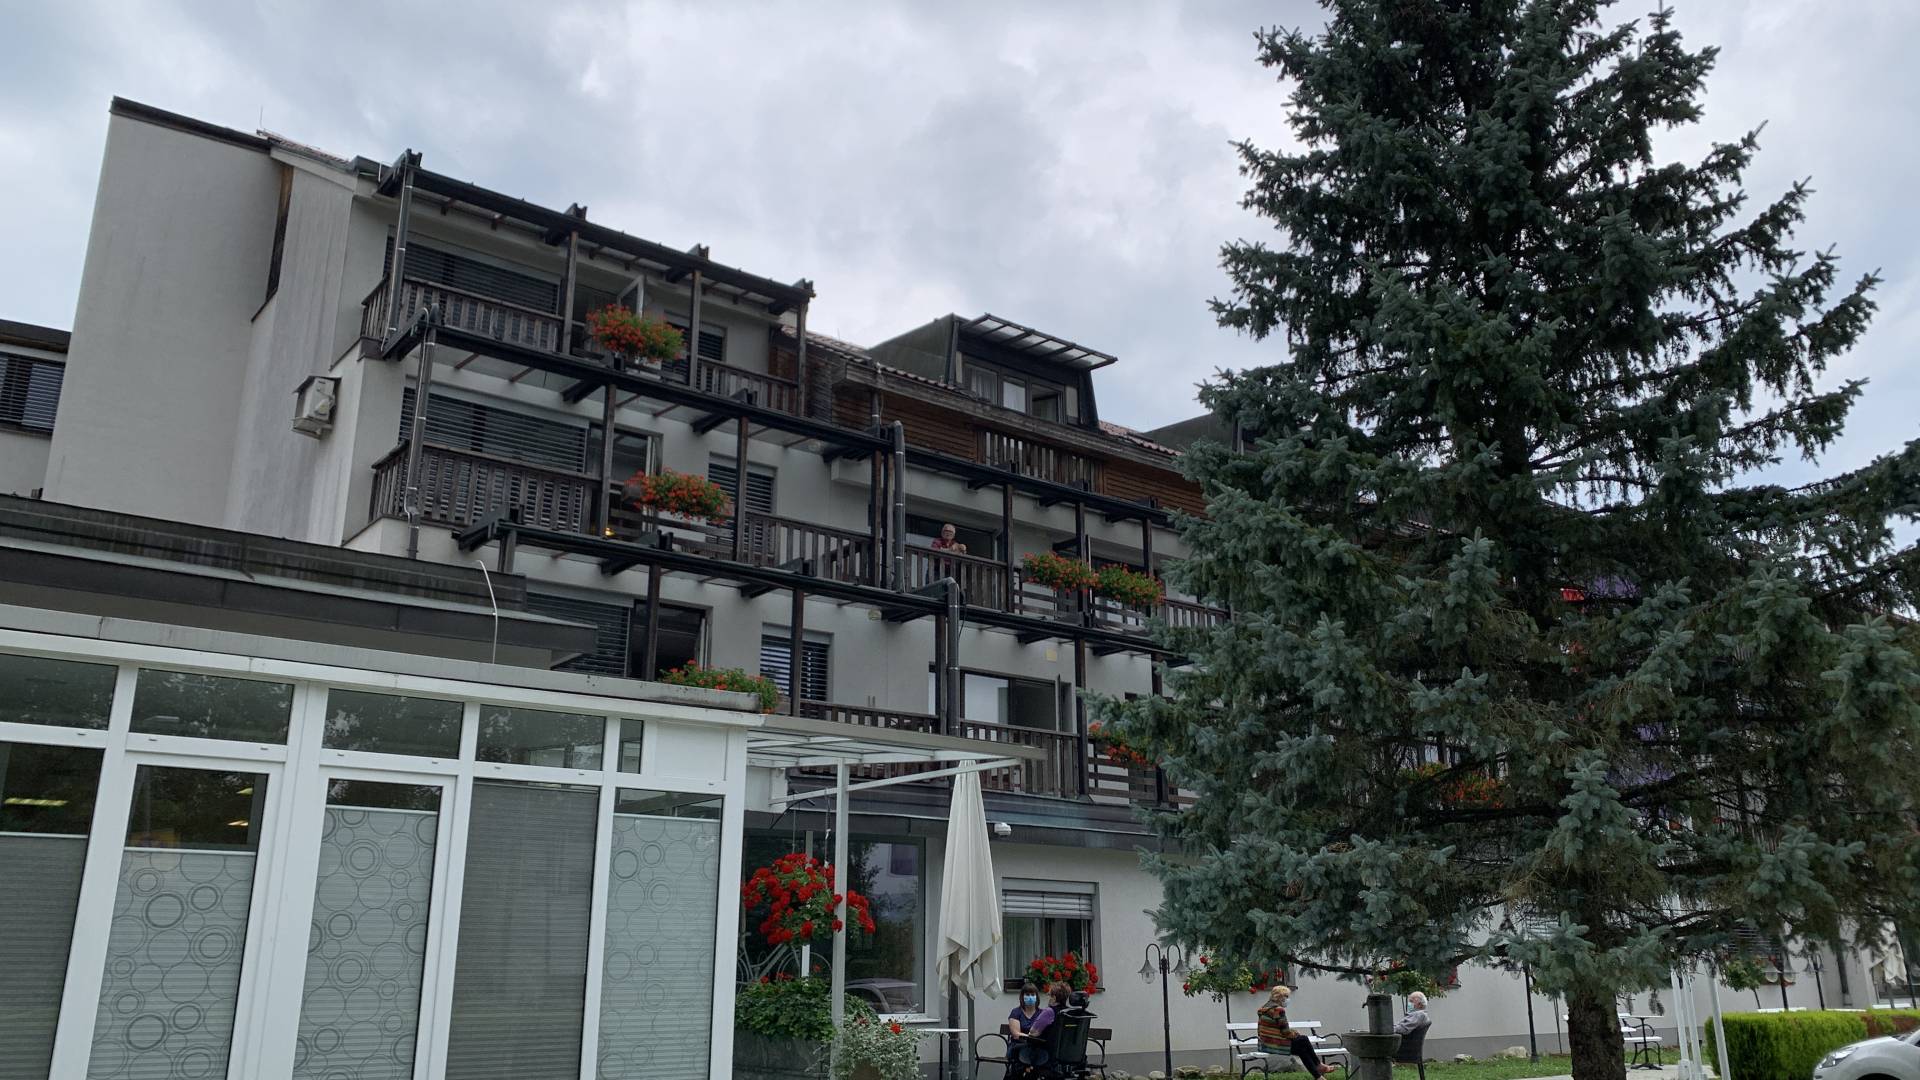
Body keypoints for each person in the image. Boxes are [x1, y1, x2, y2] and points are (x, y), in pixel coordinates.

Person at [1257, 986, 1333, 1077]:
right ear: (1280, 997)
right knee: (1303, 1039)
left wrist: (1293, 1033)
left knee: (1302, 1048)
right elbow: (1286, 1032)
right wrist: (1295, 1033)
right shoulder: (1278, 1010)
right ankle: (1318, 1066)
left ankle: (1318, 1075)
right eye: (1286, 996)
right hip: (1275, 1045)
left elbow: (1276, 1029)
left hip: (1265, 1044)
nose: (1287, 999)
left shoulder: (1265, 1009)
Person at [1005, 981, 1056, 1078]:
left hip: (1037, 1048)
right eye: (1027, 994)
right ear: (1022, 997)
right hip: (1018, 1046)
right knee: (1027, 1054)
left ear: (1037, 997)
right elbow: (1016, 1034)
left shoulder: (1042, 1013)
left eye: (1032, 995)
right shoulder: (1016, 1012)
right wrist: (1031, 1037)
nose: (1030, 997)